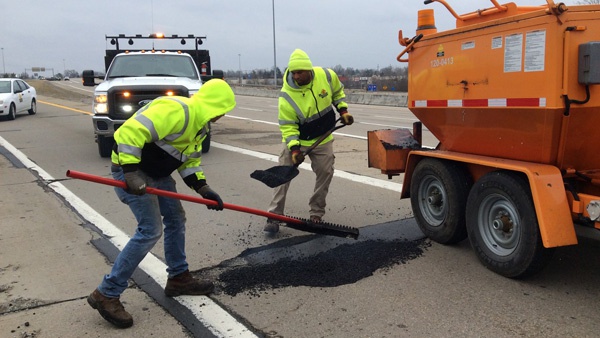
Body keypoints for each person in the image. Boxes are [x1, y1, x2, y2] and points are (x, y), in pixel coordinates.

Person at [87, 79, 236, 329]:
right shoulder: (177, 110)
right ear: (216, 105)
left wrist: (202, 188)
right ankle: (106, 292)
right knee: (150, 230)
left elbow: (189, 162)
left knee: (176, 220)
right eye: (224, 109)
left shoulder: (200, 126)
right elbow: (129, 132)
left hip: (158, 173)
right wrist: (131, 172)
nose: (223, 115)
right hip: (131, 170)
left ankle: (178, 278)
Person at [264, 49, 354, 233]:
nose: (296, 76)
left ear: (309, 70)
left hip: (323, 137)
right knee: (283, 175)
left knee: (325, 172)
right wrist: (295, 150)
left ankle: (316, 213)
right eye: (293, 72)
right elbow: (288, 127)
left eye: (299, 72)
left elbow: (337, 92)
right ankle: (274, 216)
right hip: (298, 139)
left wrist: (343, 110)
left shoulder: (327, 76)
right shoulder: (286, 96)